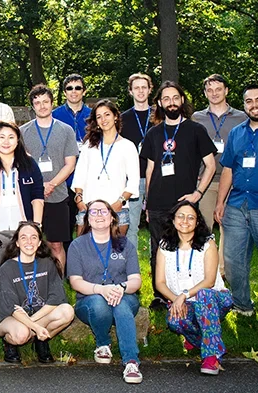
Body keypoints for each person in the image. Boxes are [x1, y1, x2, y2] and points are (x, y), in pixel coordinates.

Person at [140, 81, 217, 310]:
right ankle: (160, 296)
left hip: (185, 204)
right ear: (160, 103)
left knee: (189, 248)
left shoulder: (196, 130)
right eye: (166, 99)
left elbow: (210, 166)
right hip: (157, 203)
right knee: (158, 250)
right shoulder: (153, 133)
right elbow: (150, 169)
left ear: (182, 100)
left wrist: (198, 193)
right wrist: (146, 202)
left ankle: (191, 293)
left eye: (175, 98)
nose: (171, 102)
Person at [67, 199, 143, 384]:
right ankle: (102, 342)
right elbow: (75, 281)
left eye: (103, 211)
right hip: (89, 299)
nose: (99, 215)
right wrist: (101, 289)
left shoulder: (125, 244)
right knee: (100, 304)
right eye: (93, 212)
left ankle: (131, 362)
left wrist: (121, 288)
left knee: (121, 304)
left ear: (112, 218)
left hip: (123, 295)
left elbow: (136, 280)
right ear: (87, 219)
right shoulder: (77, 245)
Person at [155, 201, 232, 375]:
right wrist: (177, 300)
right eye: (180, 216)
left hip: (214, 299)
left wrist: (182, 295)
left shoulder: (207, 243)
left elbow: (210, 281)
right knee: (174, 321)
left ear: (197, 222)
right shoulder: (165, 246)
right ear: (173, 220)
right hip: (186, 302)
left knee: (204, 295)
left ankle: (211, 357)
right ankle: (199, 338)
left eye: (191, 217)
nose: (185, 220)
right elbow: (159, 282)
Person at [0, 121, 44, 291]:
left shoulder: (29, 163)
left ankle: (28, 306)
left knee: (25, 270)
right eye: (2, 137)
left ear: (18, 140)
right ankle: (6, 310)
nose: (6, 141)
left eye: (11, 137)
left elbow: (38, 196)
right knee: (0, 271)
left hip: (23, 229)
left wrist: (36, 226)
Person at [192, 74, 248, 276]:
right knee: (204, 229)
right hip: (204, 181)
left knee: (230, 230)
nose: (214, 94)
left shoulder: (241, 117)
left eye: (218, 89)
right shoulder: (197, 118)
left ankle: (223, 273)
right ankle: (206, 273)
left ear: (226, 91)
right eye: (209, 90)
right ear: (205, 93)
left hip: (234, 182)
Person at [0, 222, 73, 364]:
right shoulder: (7, 268)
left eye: (33, 237)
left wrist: (33, 322)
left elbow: (57, 297)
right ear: (17, 243)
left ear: (39, 243)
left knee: (67, 311)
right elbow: (10, 307)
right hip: (12, 318)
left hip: (38, 314)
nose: (29, 242)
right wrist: (35, 326)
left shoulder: (47, 263)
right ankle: (9, 343)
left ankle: (40, 341)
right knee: (21, 334)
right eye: (23, 238)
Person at [20, 84, 78, 274]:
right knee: (30, 244)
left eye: (45, 102)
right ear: (32, 107)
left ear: (52, 103)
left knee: (56, 245)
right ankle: (33, 281)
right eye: (37, 103)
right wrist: (39, 185)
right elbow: (22, 164)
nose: (42, 106)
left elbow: (70, 163)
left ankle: (58, 284)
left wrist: (52, 184)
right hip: (30, 196)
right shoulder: (22, 132)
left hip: (58, 195)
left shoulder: (66, 130)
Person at [214, 83, 258, 317]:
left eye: (257, 100)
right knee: (232, 260)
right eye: (249, 101)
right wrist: (221, 202)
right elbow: (228, 170)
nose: (254, 105)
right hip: (237, 203)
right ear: (244, 105)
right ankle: (243, 304)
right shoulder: (237, 132)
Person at [72, 100, 139, 236]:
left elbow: (133, 181)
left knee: (116, 254)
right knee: (85, 252)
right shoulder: (89, 146)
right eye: (99, 116)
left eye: (107, 114)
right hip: (89, 208)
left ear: (115, 116)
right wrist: (79, 198)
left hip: (116, 209)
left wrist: (120, 202)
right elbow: (79, 176)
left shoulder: (128, 146)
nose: (103, 119)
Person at [52, 74, 92, 246]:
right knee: (65, 225)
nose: (74, 91)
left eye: (78, 88)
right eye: (69, 88)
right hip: (64, 177)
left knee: (89, 223)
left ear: (84, 91)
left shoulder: (94, 115)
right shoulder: (55, 115)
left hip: (90, 177)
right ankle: (68, 265)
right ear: (64, 92)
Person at [120, 73, 155, 251]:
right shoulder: (122, 119)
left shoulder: (160, 116)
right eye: (136, 88)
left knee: (158, 226)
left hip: (157, 178)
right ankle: (132, 270)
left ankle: (159, 267)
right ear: (130, 91)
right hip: (131, 180)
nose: (140, 91)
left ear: (150, 90)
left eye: (144, 87)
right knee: (131, 226)